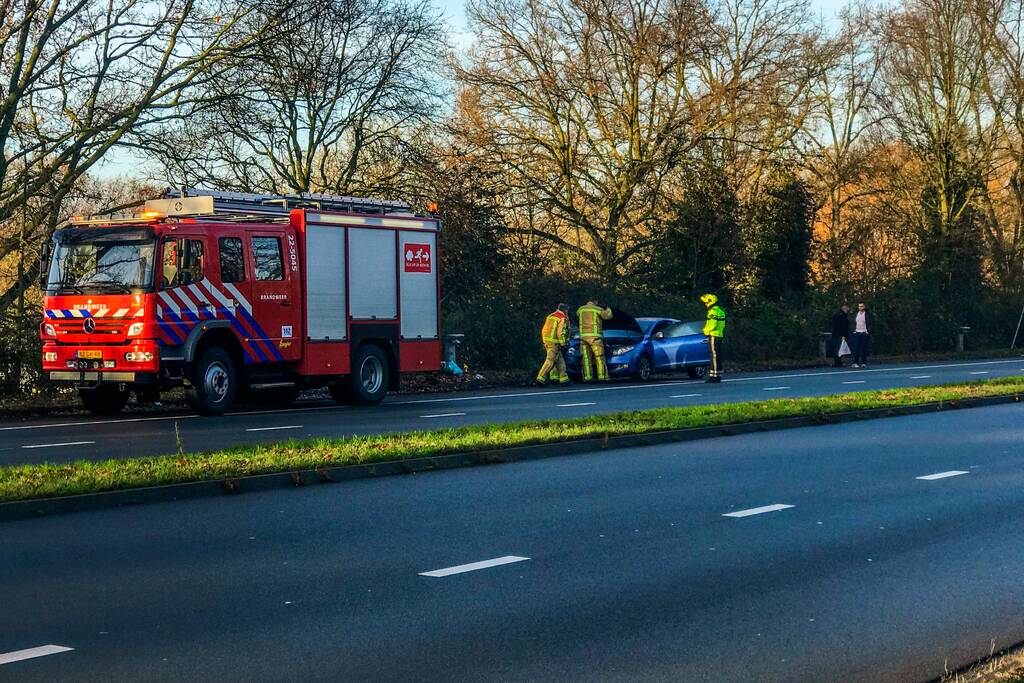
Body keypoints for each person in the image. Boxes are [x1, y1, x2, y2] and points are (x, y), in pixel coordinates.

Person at [577, 300, 613, 382]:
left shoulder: (580, 309)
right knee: (599, 357)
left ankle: (587, 377)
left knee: (586, 359)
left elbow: (578, 315)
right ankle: (602, 377)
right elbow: (608, 316)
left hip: (583, 337)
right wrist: (607, 308)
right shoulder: (597, 309)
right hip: (595, 338)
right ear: (595, 302)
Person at [536, 303, 571, 386]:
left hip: (547, 340)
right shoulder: (561, 318)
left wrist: (545, 340)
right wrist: (563, 344)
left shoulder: (551, 315)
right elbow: (560, 332)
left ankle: (564, 380)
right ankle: (540, 379)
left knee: (560, 361)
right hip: (554, 342)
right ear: (565, 310)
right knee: (550, 361)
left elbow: (544, 329)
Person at [700, 293, 726, 383]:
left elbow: (712, 325)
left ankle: (713, 376)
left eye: (706, 302)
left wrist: (705, 331)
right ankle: (718, 374)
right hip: (719, 335)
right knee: (718, 356)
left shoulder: (712, 312)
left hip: (713, 335)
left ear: (710, 302)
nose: (705, 304)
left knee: (713, 356)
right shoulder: (720, 311)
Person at [850, 302, 873, 368]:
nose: (860, 307)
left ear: (864, 307)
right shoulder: (855, 314)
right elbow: (852, 322)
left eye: (862, 306)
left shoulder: (867, 314)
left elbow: (871, 323)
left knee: (864, 348)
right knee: (856, 348)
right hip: (857, 333)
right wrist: (853, 330)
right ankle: (856, 362)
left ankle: (863, 363)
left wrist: (868, 331)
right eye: (859, 306)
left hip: (864, 333)